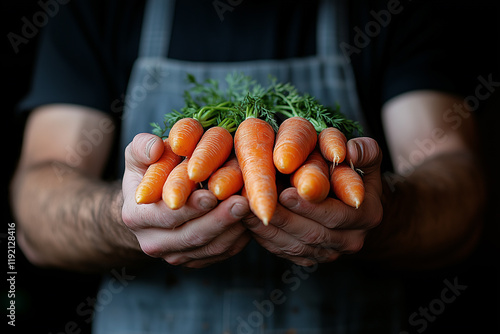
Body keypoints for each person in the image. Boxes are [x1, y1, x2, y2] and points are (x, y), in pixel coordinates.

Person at [11, 0, 489, 332]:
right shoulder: (98, 9)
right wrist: (123, 216)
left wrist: (381, 211)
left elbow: (460, 194)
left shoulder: (390, 10)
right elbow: (35, 212)